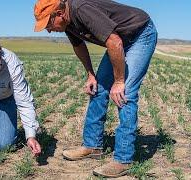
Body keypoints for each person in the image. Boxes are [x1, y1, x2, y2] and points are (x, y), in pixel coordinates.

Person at [34, 0, 157, 178]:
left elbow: (114, 42)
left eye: (48, 23)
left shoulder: (82, 10)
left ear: (59, 14)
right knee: (98, 89)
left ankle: (123, 160)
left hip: (140, 34)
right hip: (119, 40)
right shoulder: (67, 23)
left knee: (125, 93)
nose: (48, 30)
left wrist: (119, 81)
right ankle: (92, 146)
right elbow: (79, 46)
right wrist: (91, 74)